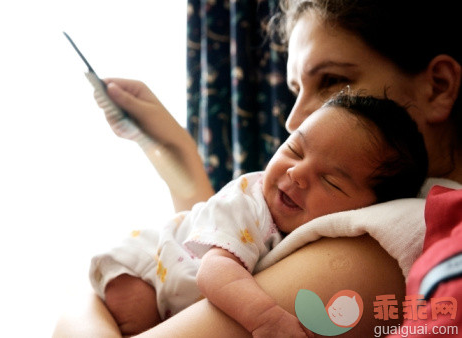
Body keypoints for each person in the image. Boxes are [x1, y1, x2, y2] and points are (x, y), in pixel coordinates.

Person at [52, 0, 462, 337]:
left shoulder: (388, 234)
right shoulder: (366, 214)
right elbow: (221, 244)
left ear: (439, 85)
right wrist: (172, 149)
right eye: (295, 90)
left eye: (335, 82)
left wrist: (81, 302)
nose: (294, 120)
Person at [89, 92, 427, 336]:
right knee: (138, 319)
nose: (296, 173)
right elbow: (215, 270)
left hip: (171, 292)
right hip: (144, 268)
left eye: (330, 180)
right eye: (294, 149)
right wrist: (266, 318)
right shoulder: (248, 201)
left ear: (367, 208)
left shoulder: (352, 232)